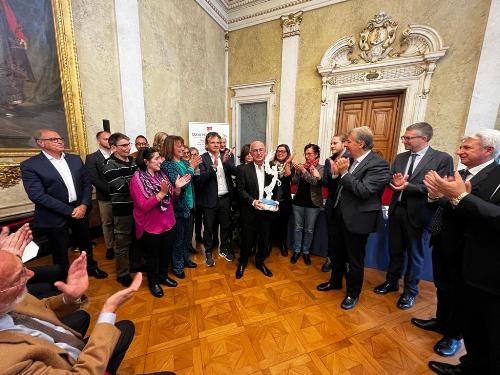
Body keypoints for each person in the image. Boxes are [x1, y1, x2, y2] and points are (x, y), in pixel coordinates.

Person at [423, 129, 500, 375]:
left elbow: (477, 210)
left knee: (464, 302)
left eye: (467, 148)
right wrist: (438, 196)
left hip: (473, 255)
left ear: (488, 151)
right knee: (444, 289)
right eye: (461, 146)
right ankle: (442, 322)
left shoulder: (493, 176)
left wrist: (458, 196)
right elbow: (458, 205)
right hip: (445, 242)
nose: (459, 151)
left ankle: (453, 335)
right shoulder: (461, 173)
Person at [0, 243, 144, 375]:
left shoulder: (8, 300)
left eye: (23, 268)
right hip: (77, 368)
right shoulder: (8, 364)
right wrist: (108, 309)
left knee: (125, 328)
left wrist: (69, 298)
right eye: (19, 275)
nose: (30, 274)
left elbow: (42, 307)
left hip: (71, 349)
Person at [373, 122, 453, 310]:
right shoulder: (401, 157)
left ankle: (410, 292)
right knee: (395, 250)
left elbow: (440, 187)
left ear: (423, 139)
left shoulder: (441, 159)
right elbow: (393, 178)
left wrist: (409, 186)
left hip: (420, 213)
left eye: (408, 138)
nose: (404, 141)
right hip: (397, 210)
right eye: (404, 137)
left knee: (415, 255)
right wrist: (394, 183)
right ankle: (391, 282)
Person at [316, 126, 390, 310]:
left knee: (354, 258)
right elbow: (337, 185)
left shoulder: (378, 164)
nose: (346, 144)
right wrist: (335, 173)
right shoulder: (348, 159)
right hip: (338, 214)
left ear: (361, 143)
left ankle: (352, 293)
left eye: (349, 141)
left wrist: (344, 174)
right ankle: (335, 282)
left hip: (357, 219)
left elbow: (363, 191)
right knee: (336, 252)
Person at [20, 129, 107, 279]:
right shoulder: (30, 165)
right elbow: (37, 195)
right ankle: (62, 278)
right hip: (54, 214)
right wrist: (69, 211)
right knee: (60, 249)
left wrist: (84, 205)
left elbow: (87, 183)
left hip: (80, 209)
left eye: (60, 138)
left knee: (85, 243)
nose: (60, 141)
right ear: (41, 143)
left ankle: (91, 267)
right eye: (54, 139)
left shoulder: (74, 159)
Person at [130, 147, 191, 297]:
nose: (161, 161)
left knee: (166, 252)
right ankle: (153, 282)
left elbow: (173, 199)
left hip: (168, 222)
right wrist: (161, 194)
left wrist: (177, 189)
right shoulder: (136, 180)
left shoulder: (161, 174)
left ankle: (163, 276)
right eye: (157, 158)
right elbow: (143, 206)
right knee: (153, 256)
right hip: (151, 225)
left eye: (160, 158)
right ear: (146, 162)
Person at [236, 140, 281, 279]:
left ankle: (260, 262)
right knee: (247, 239)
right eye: (255, 150)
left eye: (261, 149)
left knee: (264, 239)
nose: (258, 153)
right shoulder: (243, 169)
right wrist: (252, 201)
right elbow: (240, 190)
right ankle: (242, 262)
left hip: (267, 212)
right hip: (250, 211)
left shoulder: (272, 168)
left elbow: (277, 188)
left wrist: (277, 201)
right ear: (251, 153)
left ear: (265, 152)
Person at [161, 135, 201, 279]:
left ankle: (185, 259)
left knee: (186, 238)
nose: (182, 148)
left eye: (183, 145)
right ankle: (177, 267)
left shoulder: (183, 162)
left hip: (189, 206)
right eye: (179, 146)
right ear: (170, 147)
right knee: (178, 240)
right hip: (177, 208)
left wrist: (191, 167)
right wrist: (191, 167)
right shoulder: (167, 164)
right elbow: (182, 181)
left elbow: (189, 177)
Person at [102, 132, 139, 287]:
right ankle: (122, 273)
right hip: (122, 210)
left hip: (138, 207)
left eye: (129, 144)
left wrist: (137, 180)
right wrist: (137, 179)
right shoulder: (109, 164)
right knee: (122, 243)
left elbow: (139, 181)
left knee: (137, 239)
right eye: (124, 145)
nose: (128, 147)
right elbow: (123, 187)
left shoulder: (132, 160)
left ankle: (136, 264)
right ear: (113, 147)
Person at [197, 132, 237, 266]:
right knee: (208, 228)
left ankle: (224, 249)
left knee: (225, 226)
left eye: (218, 142)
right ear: (207, 144)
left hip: (225, 198)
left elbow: (234, 172)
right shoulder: (201, 159)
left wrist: (226, 163)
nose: (216, 145)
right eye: (213, 142)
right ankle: (208, 251)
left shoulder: (225, 156)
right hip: (209, 200)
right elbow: (200, 181)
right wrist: (213, 168)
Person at [290, 144, 324, 265]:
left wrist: (303, 171)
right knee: (298, 228)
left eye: (309, 153)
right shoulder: (302, 167)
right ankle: (297, 250)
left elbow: (314, 182)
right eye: (306, 153)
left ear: (316, 155)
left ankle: (306, 252)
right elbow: (293, 182)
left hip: (313, 204)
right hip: (298, 202)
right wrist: (297, 172)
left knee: (309, 230)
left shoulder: (321, 168)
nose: (307, 156)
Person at [85, 130, 115, 260]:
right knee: (107, 223)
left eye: (110, 138)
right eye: (105, 139)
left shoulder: (118, 154)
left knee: (122, 223)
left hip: (122, 197)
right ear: (99, 141)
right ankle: (110, 247)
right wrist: (112, 190)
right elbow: (93, 179)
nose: (108, 141)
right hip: (105, 197)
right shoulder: (92, 158)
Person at [321, 134, 349, 272]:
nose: (331, 146)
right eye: (331, 143)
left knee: (345, 236)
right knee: (331, 233)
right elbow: (326, 183)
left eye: (334, 143)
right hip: (331, 204)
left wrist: (340, 173)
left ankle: (344, 263)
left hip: (347, 205)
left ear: (344, 143)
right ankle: (330, 258)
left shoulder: (352, 158)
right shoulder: (329, 160)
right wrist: (333, 174)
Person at [270, 144, 293, 256]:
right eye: (278, 151)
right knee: (271, 222)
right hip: (272, 199)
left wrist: (287, 163)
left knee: (283, 224)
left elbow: (288, 176)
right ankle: (269, 244)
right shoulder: (270, 165)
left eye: (283, 151)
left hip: (285, 200)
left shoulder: (291, 166)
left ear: (287, 153)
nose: (280, 153)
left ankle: (282, 245)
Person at [190, 147, 204, 243]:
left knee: (199, 219)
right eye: (192, 154)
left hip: (202, 196)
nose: (194, 156)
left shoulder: (203, 166)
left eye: (196, 154)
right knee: (191, 221)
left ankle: (199, 237)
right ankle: (189, 241)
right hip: (191, 197)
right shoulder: (187, 166)